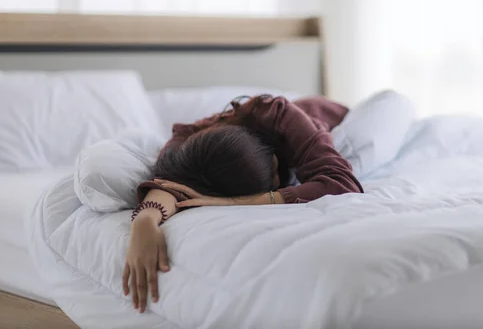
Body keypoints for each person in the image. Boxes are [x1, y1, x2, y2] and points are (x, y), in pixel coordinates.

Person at [123, 95, 363, 313]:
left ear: (274, 159)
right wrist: (145, 221)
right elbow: (169, 184)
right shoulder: (186, 146)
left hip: (335, 114)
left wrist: (235, 202)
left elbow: (342, 182)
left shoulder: (279, 114)